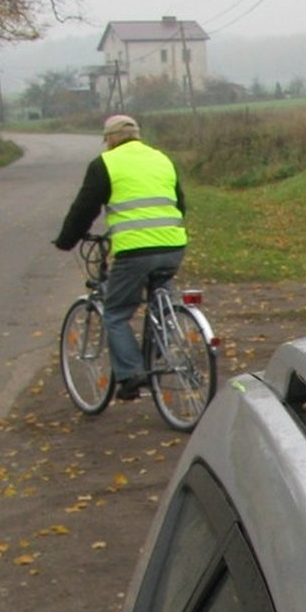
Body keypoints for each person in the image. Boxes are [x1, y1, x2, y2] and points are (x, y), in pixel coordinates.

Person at [54, 114, 187, 400]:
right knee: (160, 300)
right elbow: (180, 202)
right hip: (174, 244)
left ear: (111, 139)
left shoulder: (105, 164)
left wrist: (67, 240)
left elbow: (84, 210)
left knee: (116, 312)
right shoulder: (162, 158)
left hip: (135, 251)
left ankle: (131, 374)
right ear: (137, 135)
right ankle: (164, 349)